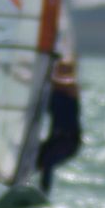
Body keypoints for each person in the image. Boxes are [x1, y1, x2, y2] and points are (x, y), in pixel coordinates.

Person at [36, 58, 81, 193]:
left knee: (48, 161)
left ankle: (44, 193)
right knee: (32, 158)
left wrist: (41, 76)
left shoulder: (72, 87)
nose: (63, 72)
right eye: (60, 69)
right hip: (54, 139)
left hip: (69, 141)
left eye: (67, 69)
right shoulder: (51, 89)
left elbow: (60, 84)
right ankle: (22, 189)